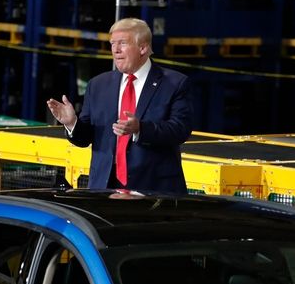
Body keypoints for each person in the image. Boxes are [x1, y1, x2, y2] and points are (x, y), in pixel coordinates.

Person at [46, 17, 193, 194]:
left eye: (122, 43)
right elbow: (85, 138)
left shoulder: (174, 83)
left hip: (153, 189)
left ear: (143, 48)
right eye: (112, 44)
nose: (115, 50)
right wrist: (72, 123)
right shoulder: (98, 85)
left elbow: (180, 130)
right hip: (105, 187)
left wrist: (140, 129)